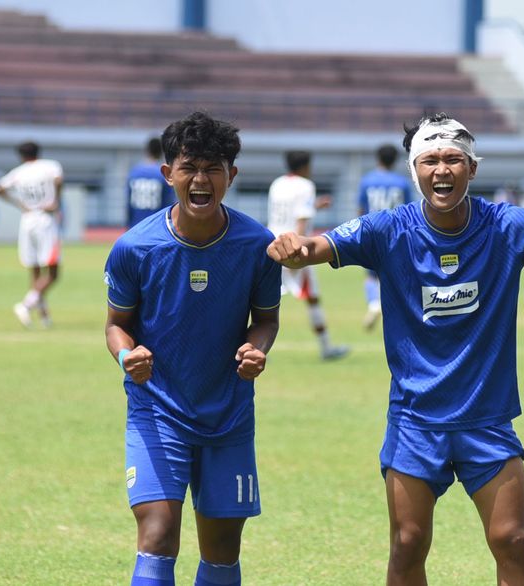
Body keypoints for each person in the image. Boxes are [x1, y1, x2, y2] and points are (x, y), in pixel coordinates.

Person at [267, 112, 524, 585]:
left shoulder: (504, 224)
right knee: (406, 544)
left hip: (486, 418)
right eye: (430, 160)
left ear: (472, 168)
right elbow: (321, 246)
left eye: (453, 159)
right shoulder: (388, 230)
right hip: (416, 421)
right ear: (414, 170)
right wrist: (296, 248)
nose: (441, 169)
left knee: (512, 541)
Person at [104, 111, 282, 586]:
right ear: (169, 174)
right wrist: (127, 356)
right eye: (189, 167)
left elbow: (265, 319)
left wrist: (256, 348)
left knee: (222, 548)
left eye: (213, 168)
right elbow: (116, 326)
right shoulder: (134, 249)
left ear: (232, 175)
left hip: (228, 415)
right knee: (158, 534)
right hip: (157, 412)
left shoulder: (256, 246)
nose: (200, 179)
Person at [267, 150, 349, 360]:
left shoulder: (277, 184)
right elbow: (301, 219)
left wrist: (315, 206)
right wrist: (298, 253)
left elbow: (290, 211)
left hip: (272, 246)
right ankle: (326, 348)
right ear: (305, 167)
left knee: (261, 298)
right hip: (293, 248)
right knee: (312, 298)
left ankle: (241, 345)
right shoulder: (305, 186)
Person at [0, 140, 64, 329]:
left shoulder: (19, 172)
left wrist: (19, 204)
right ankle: (25, 305)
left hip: (27, 220)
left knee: (35, 270)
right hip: (45, 219)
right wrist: (56, 200)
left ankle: (44, 317)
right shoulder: (50, 166)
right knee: (53, 272)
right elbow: (58, 179)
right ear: (38, 152)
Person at [356, 143, 413, 329]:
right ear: (395, 160)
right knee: (394, 274)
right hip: (395, 233)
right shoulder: (402, 183)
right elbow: (408, 211)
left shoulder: (367, 181)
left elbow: (360, 209)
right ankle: (398, 312)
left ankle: (374, 304)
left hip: (372, 231)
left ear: (378, 159)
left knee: (371, 276)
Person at [127, 137, 175, 229]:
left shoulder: (134, 172)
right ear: (161, 152)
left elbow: (128, 204)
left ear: (147, 151)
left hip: (136, 225)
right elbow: (168, 203)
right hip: (156, 226)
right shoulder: (163, 174)